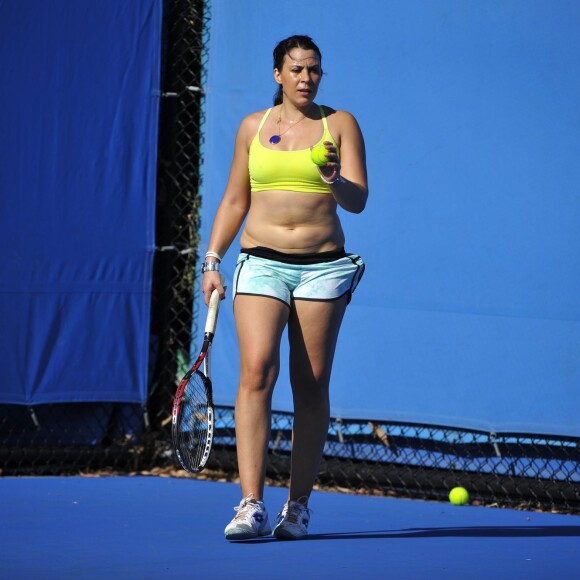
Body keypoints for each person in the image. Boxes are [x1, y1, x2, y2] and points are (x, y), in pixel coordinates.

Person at [200, 34, 368, 541]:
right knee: (256, 372)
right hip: (260, 264)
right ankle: (250, 504)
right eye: (296, 69)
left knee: (311, 386)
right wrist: (212, 260)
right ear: (278, 74)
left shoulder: (340, 124)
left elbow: (357, 200)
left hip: (322, 267)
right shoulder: (253, 126)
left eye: (314, 70)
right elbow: (234, 200)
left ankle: (296, 507)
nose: (305, 78)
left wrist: (334, 178)